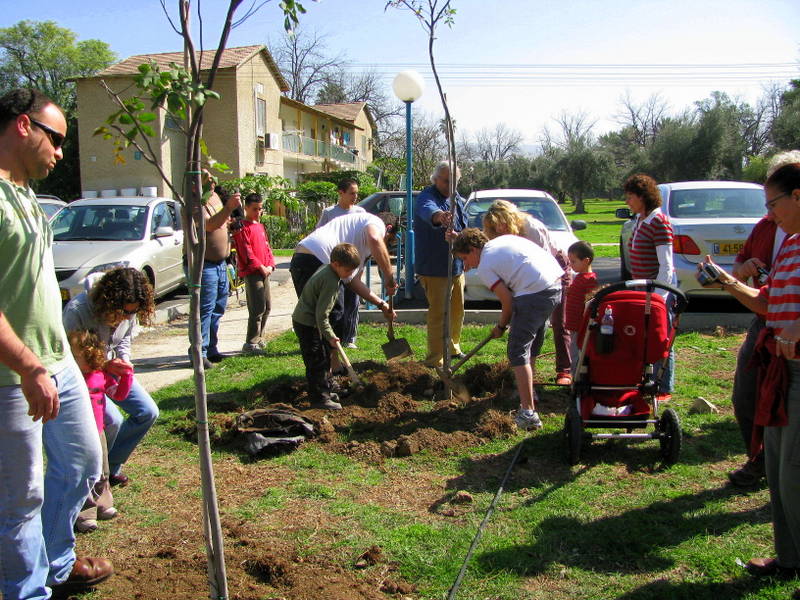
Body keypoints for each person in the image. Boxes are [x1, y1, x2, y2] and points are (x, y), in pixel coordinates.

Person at [0, 88, 112, 599]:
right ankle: (28, 590)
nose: (62, 153)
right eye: (57, 139)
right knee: (20, 498)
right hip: (13, 377)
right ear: (24, 126)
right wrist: (27, 368)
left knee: (84, 462)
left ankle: (57, 562)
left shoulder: (25, 193)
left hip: (56, 362)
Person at [701, 157, 800, 586]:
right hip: (782, 369)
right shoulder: (792, 244)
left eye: (773, 202)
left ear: (797, 196)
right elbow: (766, 304)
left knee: (794, 473)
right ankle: (789, 559)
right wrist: (728, 281)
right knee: (780, 471)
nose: (768, 213)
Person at [453, 228, 563, 430]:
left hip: (534, 291)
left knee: (517, 351)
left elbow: (508, 302)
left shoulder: (485, 265)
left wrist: (501, 326)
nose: (466, 266)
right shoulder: (500, 242)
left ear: (472, 249)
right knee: (530, 345)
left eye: (464, 258)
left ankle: (528, 413)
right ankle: (530, 393)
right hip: (555, 286)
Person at [63, 267, 159, 488]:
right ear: (109, 301)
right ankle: (95, 477)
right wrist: (104, 364)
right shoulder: (77, 311)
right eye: (123, 312)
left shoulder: (130, 308)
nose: (127, 317)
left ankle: (111, 465)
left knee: (147, 412)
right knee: (112, 420)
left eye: (131, 313)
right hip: (86, 378)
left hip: (112, 370)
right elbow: (70, 357)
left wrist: (123, 359)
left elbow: (124, 338)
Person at [289, 211, 397, 369]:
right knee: (333, 314)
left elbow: (353, 281)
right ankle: (328, 368)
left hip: (302, 259)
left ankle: (326, 369)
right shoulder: (375, 223)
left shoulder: (358, 240)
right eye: (388, 240)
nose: (384, 246)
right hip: (317, 257)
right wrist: (389, 277)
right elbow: (375, 239)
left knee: (318, 317)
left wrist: (382, 305)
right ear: (388, 229)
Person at [482, 199, 573, 385]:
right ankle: (526, 368)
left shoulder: (531, 229)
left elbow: (543, 265)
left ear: (509, 219)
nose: (500, 231)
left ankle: (564, 370)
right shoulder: (503, 236)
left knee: (559, 321)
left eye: (502, 226)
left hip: (555, 268)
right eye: (496, 229)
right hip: (531, 277)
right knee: (529, 323)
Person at [727, 209, 786, 488]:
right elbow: (737, 269)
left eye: (774, 201)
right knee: (745, 394)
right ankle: (758, 460)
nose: (768, 211)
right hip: (762, 322)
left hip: (788, 330)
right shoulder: (764, 227)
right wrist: (743, 268)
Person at [68, 330, 132, 534]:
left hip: (98, 431)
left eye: (83, 357)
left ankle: (103, 503)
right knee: (84, 472)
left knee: (102, 469)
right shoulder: (71, 379)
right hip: (78, 433)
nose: (81, 362)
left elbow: (119, 395)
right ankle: (85, 512)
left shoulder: (99, 376)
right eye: (76, 357)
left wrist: (127, 376)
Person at [623, 174, 675, 401]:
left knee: (661, 337)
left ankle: (664, 386)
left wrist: (659, 298)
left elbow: (667, 265)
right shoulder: (639, 220)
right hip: (641, 290)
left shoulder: (659, 221)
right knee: (644, 336)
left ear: (643, 197)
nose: (627, 201)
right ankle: (646, 379)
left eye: (631, 196)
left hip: (657, 292)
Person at [292, 243, 361, 410]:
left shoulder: (328, 269)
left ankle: (326, 390)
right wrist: (330, 335)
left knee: (323, 357)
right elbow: (321, 315)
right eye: (348, 271)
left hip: (310, 321)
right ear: (336, 264)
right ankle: (320, 399)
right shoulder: (331, 281)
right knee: (316, 361)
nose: (350, 275)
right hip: (307, 323)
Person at [415, 161, 469, 368]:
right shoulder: (426, 197)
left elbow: (464, 228)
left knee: (457, 310)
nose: (451, 186)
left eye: (455, 181)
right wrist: (440, 217)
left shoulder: (458, 200)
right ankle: (435, 358)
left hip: (456, 266)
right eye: (447, 181)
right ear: (436, 179)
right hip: (434, 268)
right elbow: (429, 211)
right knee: (439, 314)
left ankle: (453, 347)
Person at [194, 173, 242, 368]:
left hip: (220, 263)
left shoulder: (214, 197)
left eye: (213, 178)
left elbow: (221, 222)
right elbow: (209, 225)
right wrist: (229, 207)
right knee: (204, 310)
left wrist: (230, 224)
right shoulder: (195, 201)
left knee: (217, 309)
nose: (212, 181)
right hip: (203, 264)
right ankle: (199, 352)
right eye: (207, 178)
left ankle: (211, 349)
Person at [315, 178, 366, 349]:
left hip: (353, 265)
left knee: (353, 301)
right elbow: (319, 234)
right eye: (352, 193)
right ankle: (335, 337)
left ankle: (350, 337)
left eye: (356, 193)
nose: (355, 196)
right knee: (338, 303)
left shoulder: (360, 212)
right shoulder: (329, 213)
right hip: (336, 266)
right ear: (341, 193)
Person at [232, 192, 276, 354]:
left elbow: (266, 247)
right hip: (253, 272)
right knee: (257, 307)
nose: (258, 212)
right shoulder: (243, 227)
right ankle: (250, 342)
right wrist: (260, 267)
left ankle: (260, 337)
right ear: (246, 208)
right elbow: (246, 251)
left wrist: (270, 264)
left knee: (267, 306)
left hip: (265, 271)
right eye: (254, 209)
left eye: (260, 209)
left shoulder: (259, 226)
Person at [564, 240, 598, 372]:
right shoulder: (580, 277)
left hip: (581, 325)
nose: (571, 265)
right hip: (574, 324)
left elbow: (591, 303)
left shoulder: (590, 280)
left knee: (577, 351)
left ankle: (577, 376)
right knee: (574, 349)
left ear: (586, 261)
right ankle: (576, 374)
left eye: (573, 262)